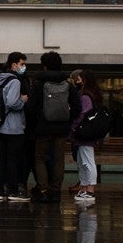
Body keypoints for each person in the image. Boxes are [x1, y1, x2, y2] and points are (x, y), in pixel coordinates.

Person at [28, 51, 76, 204]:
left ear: (45, 66)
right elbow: (77, 106)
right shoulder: (67, 84)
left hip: (43, 127)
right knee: (58, 159)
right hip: (61, 128)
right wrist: (68, 119)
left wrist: (34, 124)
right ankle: (56, 191)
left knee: (40, 158)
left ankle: (42, 190)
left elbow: (31, 108)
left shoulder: (38, 84)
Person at [0, 52, 30, 202]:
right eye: (22, 64)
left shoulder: (1, 80)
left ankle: (0, 190)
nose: (24, 67)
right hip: (14, 127)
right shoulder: (15, 81)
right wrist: (23, 100)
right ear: (14, 65)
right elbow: (11, 102)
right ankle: (13, 190)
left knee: (2, 159)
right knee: (13, 160)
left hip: (1, 125)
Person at [68, 68, 104, 205]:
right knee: (82, 160)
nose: (77, 81)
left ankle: (90, 188)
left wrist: (74, 126)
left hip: (84, 133)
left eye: (79, 78)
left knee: (87, 160)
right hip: (85, 133)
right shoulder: (90, 94)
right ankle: (84, 187)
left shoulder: (85, 96)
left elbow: (83, 114)